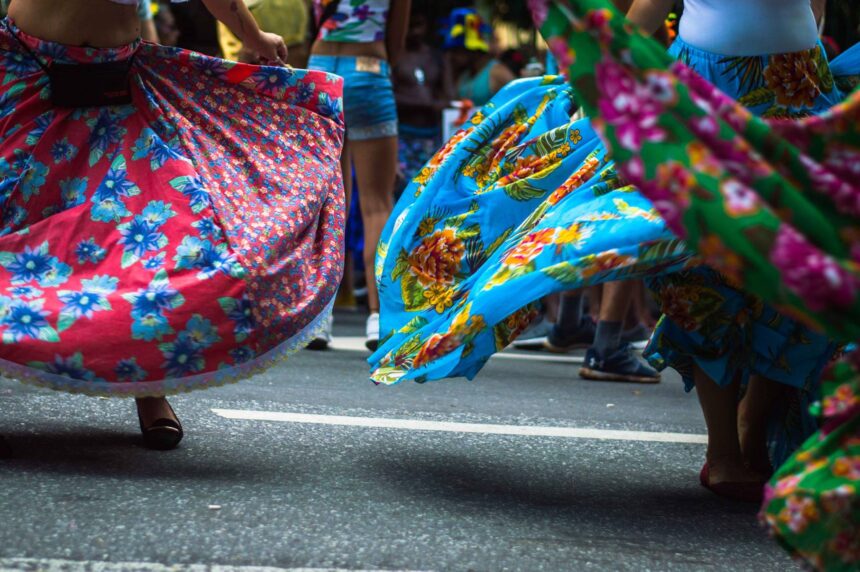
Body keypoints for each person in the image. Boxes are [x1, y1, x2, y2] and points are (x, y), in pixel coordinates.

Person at [531, 0, 859, 567]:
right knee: (704, 266)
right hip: (709, 80)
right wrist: (599, 70)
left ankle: (753, 431)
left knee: (804, 265)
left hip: (799, 83)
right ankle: (725, 450)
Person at [0, 0, 343, 451]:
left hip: (114, 84)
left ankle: (150, 389)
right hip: (27, 73)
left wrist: (254, 38)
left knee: (148, 244)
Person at [308, 0, 410, 351]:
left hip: (320, 72)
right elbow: (395, 47)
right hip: (369, 70)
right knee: (376, 203)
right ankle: (378, 318)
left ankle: (319, 319)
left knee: (329, 199)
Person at [392, 10, 449, 194]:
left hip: (432, 136)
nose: (414, 31)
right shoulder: (396, 56)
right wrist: (420, 102)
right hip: (403, 135)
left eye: (419, 25)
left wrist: (436, 103)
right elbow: (386, 95)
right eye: (410, 26)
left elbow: (449, 94)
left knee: (431, 189)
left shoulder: (436, 57)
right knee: (403, 190)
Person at [444, 8, 515, 109]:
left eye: (458, 50)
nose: (453, 56)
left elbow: (519, 102)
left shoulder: (497, 72)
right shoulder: (464, 76)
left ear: (473, 50)